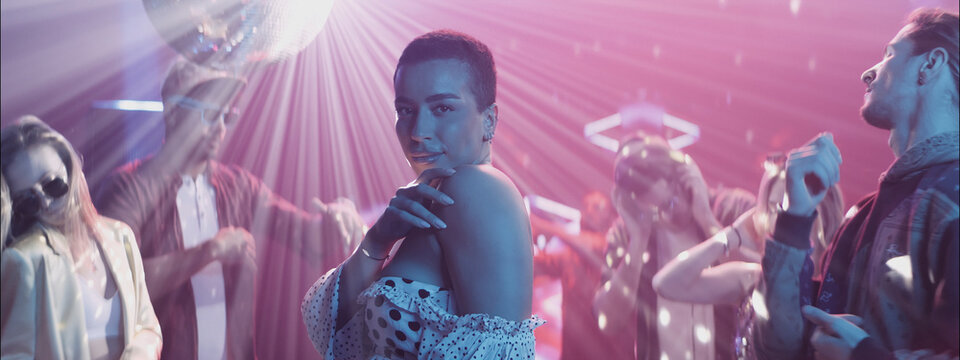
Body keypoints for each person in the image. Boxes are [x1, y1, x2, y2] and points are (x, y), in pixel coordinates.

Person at [94, 59, 365, 360]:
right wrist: (209, 251)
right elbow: (115, 282)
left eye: (227, 115)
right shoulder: (127, 187)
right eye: (210, 114)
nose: (221, 128)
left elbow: (308, 236)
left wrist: (341, 219)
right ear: (172, 113)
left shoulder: (239, 186)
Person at [301, 30, 542, 359]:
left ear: (489, 120)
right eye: (405, 110)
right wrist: (377, 240)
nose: (418, 132)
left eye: (442, 108)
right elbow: (339, 336)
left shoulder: (477, 187)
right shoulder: (440, 197)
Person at [752, 8, 959, 360]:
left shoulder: (951, 198)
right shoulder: (861, 214)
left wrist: (863, 355)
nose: (868, 73)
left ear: (930, 65)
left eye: (891, 54)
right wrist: (794, 218)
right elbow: (775, 349)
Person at [650, 154, 844, 359]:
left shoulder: (845, 282)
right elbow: (666, 283)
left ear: (824, 208)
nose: (779, 216)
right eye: (772, 207)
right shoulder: (755, 278)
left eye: (788, 204)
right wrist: (732, 234)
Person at [1, 116, 162, 359]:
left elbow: (147, 326)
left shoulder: (121, 238)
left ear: (70, 168)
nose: (45, 203)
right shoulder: (25, 260)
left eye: (52, 184)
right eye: (28, 200)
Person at [593, 133, 755, 360]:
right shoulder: (626, 234)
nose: (672, 205)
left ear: (681, 167)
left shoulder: (733, 208)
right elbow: (607, 321)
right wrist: (638, 241)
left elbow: (765, 284)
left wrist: (708, 222)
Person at [530, 191, 630, 360]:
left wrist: (542, 224)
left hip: (607, 350)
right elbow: (535, 265)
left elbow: (590, 246)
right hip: (572, 349)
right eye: (586, 206)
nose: (589, 210)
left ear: (609, 216)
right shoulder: (570, 253)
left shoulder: (612, 245)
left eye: (596, 207)